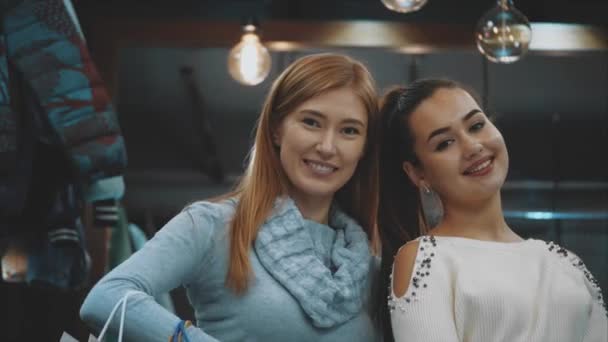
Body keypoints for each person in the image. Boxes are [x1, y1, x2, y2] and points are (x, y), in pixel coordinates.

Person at [80, 53, 382, 341]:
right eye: (311, 122)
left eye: (349, 131)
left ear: (365, 147)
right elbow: (107, 297)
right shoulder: (213, 226)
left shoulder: (370, 269)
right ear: (277, 129)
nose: (327, 146)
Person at [375, 79, 607, 342]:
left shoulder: (566, 263)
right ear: (417, 173)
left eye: (476, 126)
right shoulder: (425, 260)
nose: (473, 146)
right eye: (445, 143)